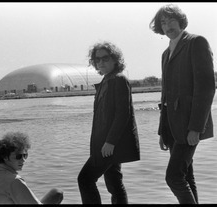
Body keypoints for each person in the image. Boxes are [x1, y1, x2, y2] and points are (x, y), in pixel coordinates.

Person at [149, 4, 215, 204]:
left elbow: (206, 88)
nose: (167, 25)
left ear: (180, 21)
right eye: (163, 22)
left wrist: (196, 128)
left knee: (174, 177)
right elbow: (166, 96)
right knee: (186, 176)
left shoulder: (196, 42)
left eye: (170, 20)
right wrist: (163, 130)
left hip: (189, 125)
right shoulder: (165, 53)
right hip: (172, 127)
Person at [77, 41, 140, 204]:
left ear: (115, 59)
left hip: (110, 145)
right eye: (97, 60)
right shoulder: (107, 80)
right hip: (106, 144)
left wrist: (110, 142)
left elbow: (122, 114)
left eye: (105, 58)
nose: (101, 62)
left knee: (85, 179)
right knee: (114, 183)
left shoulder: (118, 79)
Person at [0, 131, 64, 204]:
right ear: (5, 156)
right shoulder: (14, 180)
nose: (23, 160)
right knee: (57, 194)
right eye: (18, 156)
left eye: (25, 155)